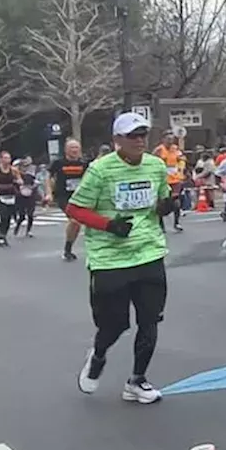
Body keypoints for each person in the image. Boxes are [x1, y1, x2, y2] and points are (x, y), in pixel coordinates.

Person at [69, 112, 175, 404]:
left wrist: (165, 207)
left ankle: (137, 381)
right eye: (132, 136)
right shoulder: (100, 170)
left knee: (149, 320)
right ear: (117, 140)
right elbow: (75, 209)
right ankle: (98, 355)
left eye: (143, 134)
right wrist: (109, 225)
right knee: (114, 325)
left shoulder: (156, 166)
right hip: (110, 259)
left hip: (149, 252)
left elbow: (159, 201)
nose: (139, 140)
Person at [49, 139, 90, 261]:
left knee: (76, 224)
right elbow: (48, 177)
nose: (75, 150)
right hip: (63, 196)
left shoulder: (84, 163)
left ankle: (68, 249)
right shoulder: (58, 163)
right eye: (72, 147)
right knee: (75, 220)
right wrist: (48, 193)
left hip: (80, 196)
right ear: (66, 149)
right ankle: (67, 250)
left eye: (77, 147)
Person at [153, 132, 186, 233]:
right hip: (162, 180)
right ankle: (161, 225)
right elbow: (152, 162)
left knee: (176, 202)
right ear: (163, 139)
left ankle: (176, 223)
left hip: (175, 180)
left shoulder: (176, 149)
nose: (170, 141)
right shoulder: (159, 150)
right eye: (168, 139)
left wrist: (181, 169)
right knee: (162, 203)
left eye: (172, 139)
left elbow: (182, 160)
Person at [0, 151, 19, 247]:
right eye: (5, 158)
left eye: (9, 158)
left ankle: (3, 236)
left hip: (10, 195)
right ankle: (1, 237)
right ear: (1, 159)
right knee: (4, 215)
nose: (7, 160)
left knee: (8, 218)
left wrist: (18, 182)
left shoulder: (14, 170)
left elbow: (20, 180)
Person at [12, 158, 38, 237]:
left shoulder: (30, 176)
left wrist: (33, 187)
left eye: (25, 167)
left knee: (30, 214)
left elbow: (35, 185)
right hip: (20, 198)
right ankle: (17, 227)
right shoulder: (15, 177)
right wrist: (19, 190)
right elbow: (13, 186)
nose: (24, 168)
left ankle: (28, 231)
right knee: (22, 215)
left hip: (30, 197)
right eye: (22, 167)